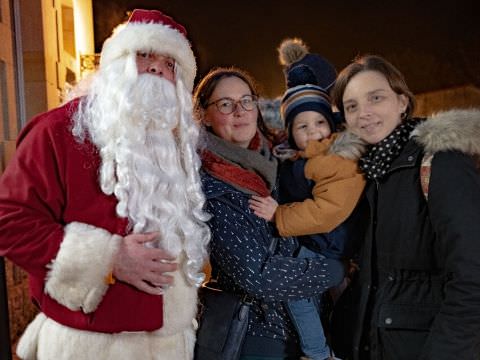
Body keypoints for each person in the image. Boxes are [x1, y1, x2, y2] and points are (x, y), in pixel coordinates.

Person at [0, 9, 210, 360]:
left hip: (171, 344)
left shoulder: (176, 147)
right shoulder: (57, 131)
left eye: (171, 63)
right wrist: (108, 258)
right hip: (89, 346)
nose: (158, 67)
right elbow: (9, 222)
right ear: (115, 66)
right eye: (144, 55)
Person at [329, 54, 480, 359]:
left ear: (402, 101)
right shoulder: (369, 173)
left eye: (376, 98)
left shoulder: (441, 161)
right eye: (352, 106)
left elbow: (472, 277)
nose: (364, 113)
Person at [193, 66, 347, 360]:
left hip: (306, 329)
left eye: (246, 100)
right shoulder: (212, 186)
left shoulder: (279, 162)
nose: (240, 111)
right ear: (205, 117)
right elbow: (258, 275)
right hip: (257, 335)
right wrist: (333, 270)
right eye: (225, 104)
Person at [249, 38, 366, 360]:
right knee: (318, 299)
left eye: (319, 122)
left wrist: (279, 216)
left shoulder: (337, 158)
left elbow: (327, 211)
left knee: (295, 292)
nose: (312, 131)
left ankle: (318, 353)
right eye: (302, 125)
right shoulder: (297, 158)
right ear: (290, 131)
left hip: (329, 243)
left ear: (330, 125)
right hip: (316, 242)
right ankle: (329, 342)